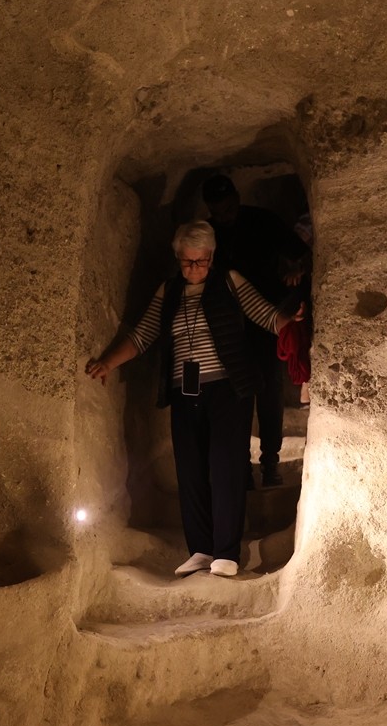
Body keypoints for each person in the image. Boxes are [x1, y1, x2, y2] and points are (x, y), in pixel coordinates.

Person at [85, 221, 303, 578]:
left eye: (201, 262)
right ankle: (201, 549)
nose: (195, 269)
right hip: (185, 392)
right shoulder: (169, 291)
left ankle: (226, 553)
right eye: (187, 262)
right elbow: (143, 334)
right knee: (190, 469)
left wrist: (289, 320)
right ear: (178, 258)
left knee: (226, 467)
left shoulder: (229, 281)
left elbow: (265, 315)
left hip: (228, 390)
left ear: (212, 256)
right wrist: (108, 361)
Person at [201, 174, 312, 487]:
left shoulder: (262, 221)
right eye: (219, 212)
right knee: (236, 393)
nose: (226, 216)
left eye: (230, 207)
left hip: (267, 319)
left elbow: (298, 252)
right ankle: (242, 466)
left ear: (237, 197)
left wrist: (295, 269)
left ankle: (270, 462)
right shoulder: (208, 234)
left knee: (269, 391)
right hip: (228, 326)